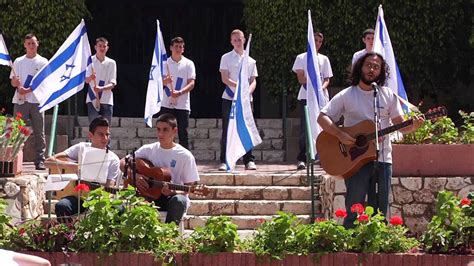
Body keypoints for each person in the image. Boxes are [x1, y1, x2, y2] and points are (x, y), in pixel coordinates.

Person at [317, 52, 423, 228]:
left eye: (376, 67)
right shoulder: (347, 95)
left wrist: (414, 126)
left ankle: (376, 248)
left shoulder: (387, 95)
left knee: (380, 211)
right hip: (354, 159)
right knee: (354, 207)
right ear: (360, 67)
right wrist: (341, 135)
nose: (371, 69)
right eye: (368, 65)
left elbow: (401, 125)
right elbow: (322, 117)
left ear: (381, 72)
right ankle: (350, 247)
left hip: (383, 159)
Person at [121, 113, 199, 225]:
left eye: (165, 130)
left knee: (179, 201)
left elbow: (190, 186)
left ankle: (168, 235)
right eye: (158, 129)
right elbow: (123, 162)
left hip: (171, 198)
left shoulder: (185, 155)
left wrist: (173, 191)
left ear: (175, 131)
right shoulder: (148, 149)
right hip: (148, 195)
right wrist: (135, 175)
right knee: (135, 202)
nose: (160, 134)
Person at [45, 116, 120, 221]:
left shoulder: (113, 159)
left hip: (98, 198)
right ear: (90, 135)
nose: (105, 138)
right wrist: (70, 165)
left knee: (119, 209)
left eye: (107, 134)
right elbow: (48, 162)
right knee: (62, 206)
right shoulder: (81, 148)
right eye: (101, 134)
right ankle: (68, 235)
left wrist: (97, 192)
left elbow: (109, 188)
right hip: (77, 197)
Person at [218, 29, 258, 171]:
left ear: (244, 40)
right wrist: (239, 87)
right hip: (229, 97)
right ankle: (225, 160)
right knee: (227, 129)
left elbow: (253, 81)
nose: (237, 42)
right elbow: (224, 78)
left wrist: (247, 91)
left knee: (246, 127)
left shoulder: (251, 61)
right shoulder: (226, 58)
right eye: (234, 40)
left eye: (239, 39)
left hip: (246, 100)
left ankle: (249, 160)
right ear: (231, 42)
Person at [292, 32, 333, 170]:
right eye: (315, 40)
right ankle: (302, 158)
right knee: (305, 128)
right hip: (306, 96)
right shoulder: (301, 57)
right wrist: (312, 87)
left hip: (321, 98)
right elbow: (301, 77)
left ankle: (322, 155)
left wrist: (319, 89)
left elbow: (327, 79)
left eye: (320, 41)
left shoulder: (324, 59)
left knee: (322, 127)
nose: (317, 43)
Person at [10, 33, 48, 170]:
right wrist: (16, 83)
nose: (31, 46)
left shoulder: (43, 62)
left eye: (33, 43)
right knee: (17, 130)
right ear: (24, 45)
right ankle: (13, 158)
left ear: (37, 44)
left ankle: (40, 160)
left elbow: (43, 82)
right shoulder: (18, 61)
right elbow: (13, 82)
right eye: (28, 43)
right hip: (20, 101)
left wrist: (27, 90)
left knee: (39, 131)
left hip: (37, 101)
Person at [159, 37, 196, 150]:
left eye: (181, 47)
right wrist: (164, 82)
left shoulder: (188, 64)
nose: (178, 49)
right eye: (176, 46)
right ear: (171, 48)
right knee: (166, 131)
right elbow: (156, 83)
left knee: (183, 133)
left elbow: (191, 83)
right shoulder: (164, 63)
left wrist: (179, 92)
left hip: (182, 104)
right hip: (166, 103)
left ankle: (184, 159)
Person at [85, 37, 117, 124]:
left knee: (106, 127)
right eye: (100, 46)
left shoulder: (112, 63)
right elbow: (86, 81)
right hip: (92, 98)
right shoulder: (90, 61)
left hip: (106, 99)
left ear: (107, 48)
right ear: (95, 47)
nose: (102, 48)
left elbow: (113, 83)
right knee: (93, 126)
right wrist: (91, 77)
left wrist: (101, 88)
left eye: (104, 46)